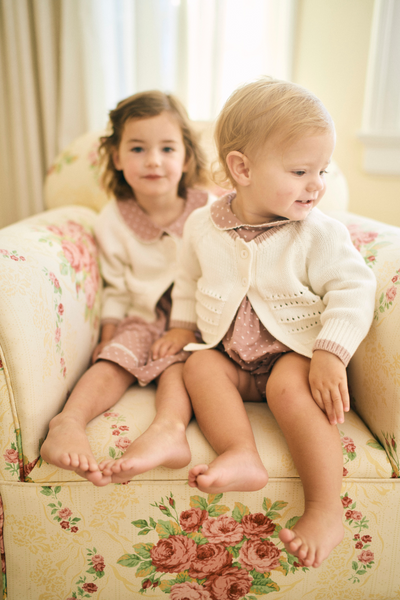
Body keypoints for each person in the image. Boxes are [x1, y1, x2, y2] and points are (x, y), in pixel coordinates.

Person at [161, 78, 377, 568]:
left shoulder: (319, 233)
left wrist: (329, 351)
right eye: (301, 170)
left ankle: (325, 509)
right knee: (198, 368)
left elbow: (354, 287)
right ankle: (241, 453)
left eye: (322, 169)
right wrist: (179, 326)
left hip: (292, 353)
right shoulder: (202, 225)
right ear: (242, 168)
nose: (316, 184)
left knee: (290, 389)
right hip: (231, 353)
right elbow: (187, 280)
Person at [41, 90, 208, 486]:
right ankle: (69, 422)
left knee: (182, 365)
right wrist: (108, 333)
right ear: (116, 157)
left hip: (199, 320)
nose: (153, 160)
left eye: (167, 148)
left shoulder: (210, 208)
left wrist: (186, 328)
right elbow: (114, 287)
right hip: (143, 315)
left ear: (186, 157)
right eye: (137, 148)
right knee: (113, 359)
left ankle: (168, 430)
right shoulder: (112, 220)